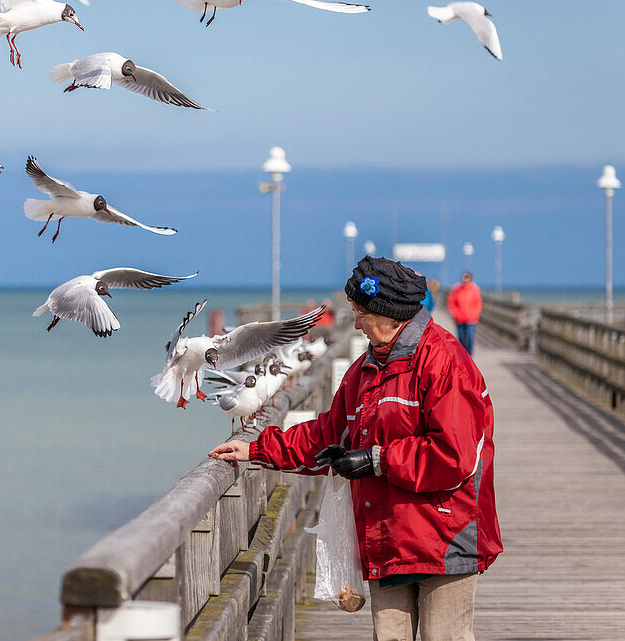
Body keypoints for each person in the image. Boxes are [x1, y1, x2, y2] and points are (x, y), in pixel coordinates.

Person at [210, 256, 501, 641]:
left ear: (389, 314)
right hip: (387, 536)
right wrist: (258, 449)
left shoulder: (445, 361)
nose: (357, 323)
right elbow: (329, 432)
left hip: (445, 536)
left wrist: (376, 459)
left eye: (362, 314)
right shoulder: (365, 369)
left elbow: (455, 457)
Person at [447, 271, 483, 355]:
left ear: (470, 278)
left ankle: (469, 356)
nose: (466, 279)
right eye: (464, 277)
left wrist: (474, 314)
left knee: (470, 338)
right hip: (459, 318)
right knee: (461, 338)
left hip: (471, 319)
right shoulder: (457, 289)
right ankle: (462, 355)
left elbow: (478, 303)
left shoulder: (474, 289)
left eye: (467, 277)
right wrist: (455, 313)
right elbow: (451, 302)